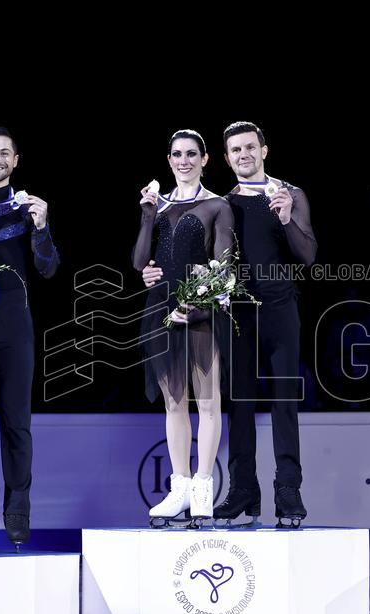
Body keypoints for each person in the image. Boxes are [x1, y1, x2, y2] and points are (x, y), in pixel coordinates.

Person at [0, 127, 60, 550]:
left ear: (16, 160)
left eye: (4, 152)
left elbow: (49, 268)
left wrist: (42, 227)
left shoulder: (27, 207)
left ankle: (17, 510)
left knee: (17, 425)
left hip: (15, 327)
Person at [215, 121, 316, 528]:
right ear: (226, 158)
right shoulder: (222, 203)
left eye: (250, 147)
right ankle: (243, 489)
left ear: (264, 150)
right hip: (237, 313)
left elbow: (307, 254)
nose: (244, 154)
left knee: (284, 402)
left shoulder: (288, 193)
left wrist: (289, 218)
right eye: (236, 150)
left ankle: (288, 488)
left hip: (280, 309)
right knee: (238, 402)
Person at [133, 129, 234, 527]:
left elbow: (224, 263)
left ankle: (203, 487)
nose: (184, 160)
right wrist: (145, 214)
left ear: (205, 159)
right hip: (161, 311)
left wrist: (201, 301)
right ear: (169, 159)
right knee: (174, 403)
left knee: (208, 403)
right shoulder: (158, 207)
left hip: (203, 310)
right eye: (177, 154)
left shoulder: (217, 205)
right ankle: (179, 489)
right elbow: (141, 260)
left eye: (192, 154)